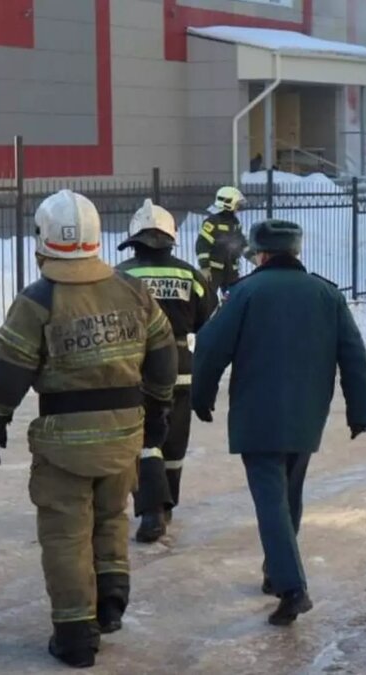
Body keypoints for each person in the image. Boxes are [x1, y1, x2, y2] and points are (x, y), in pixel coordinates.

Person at [0, 190, 177, 668]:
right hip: (124, 433)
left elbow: (12, 368)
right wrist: (159, 407)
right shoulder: (130, 289)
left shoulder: (39, 299)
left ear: (43, 240)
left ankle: (74, 634)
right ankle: (110, 598)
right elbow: (164, 352)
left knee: (66, 534)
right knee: (110, 517)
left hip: (65, 440)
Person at [191, 219, 366, 626]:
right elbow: (353, 355)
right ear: (295, 251)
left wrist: (199, 396)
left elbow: (209, 347)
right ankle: (277, 573)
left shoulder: (245, 293)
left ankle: (292, 588)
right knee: (288, 495)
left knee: (271, 502)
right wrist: (361, 410)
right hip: (308, 416)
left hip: (257, 417)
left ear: (261, 254)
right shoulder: (327, 294)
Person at [116, 199, 217, 543]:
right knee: (174, 443)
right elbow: (206, 320)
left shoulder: (121, 275)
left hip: (136, 369)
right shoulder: (191, 275)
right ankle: (167, 504)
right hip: (181, 369)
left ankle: (152, 511)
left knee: (145, 441)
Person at [195, 186, 249, 295]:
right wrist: (205, 267)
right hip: (214, 270)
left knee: (233, 298)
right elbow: (202, 244)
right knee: (208, 299)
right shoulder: (212, 222)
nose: (238, 207)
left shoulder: (235, 223)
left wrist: (252, 255)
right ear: (228, 203)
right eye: (237, 204)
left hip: (231, 270)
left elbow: (241, 243)